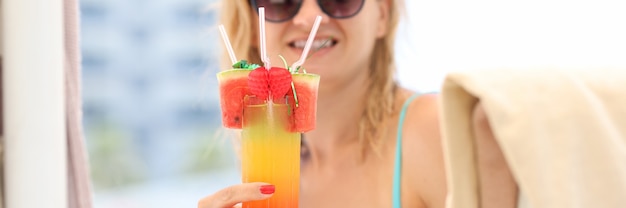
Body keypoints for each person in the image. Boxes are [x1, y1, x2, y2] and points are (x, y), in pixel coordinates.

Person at [199, 0, 516, 207]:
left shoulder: (432, 131)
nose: (310, 17)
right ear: (254, 26)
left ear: (382, 14)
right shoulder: (273, 163)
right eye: (281, 2)